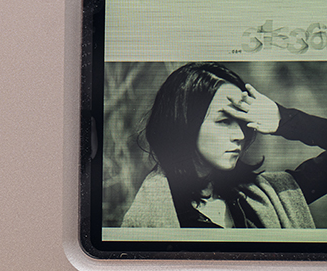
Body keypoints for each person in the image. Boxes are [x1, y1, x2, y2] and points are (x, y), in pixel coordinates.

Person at [121, 62, 327, 229]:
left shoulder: (270, 195)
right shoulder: (151, 217)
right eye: (224, 121)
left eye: (242, 121)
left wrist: (283, 120)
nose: (240, 135)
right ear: (184, 124)